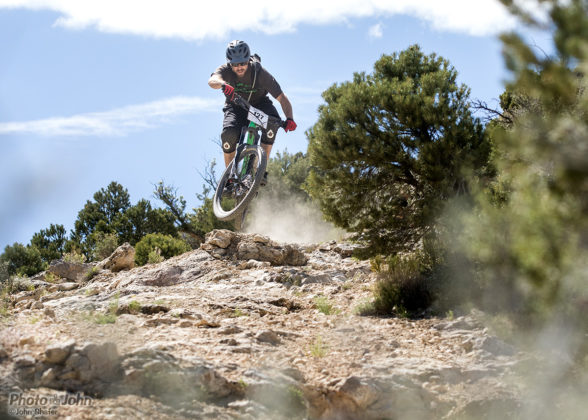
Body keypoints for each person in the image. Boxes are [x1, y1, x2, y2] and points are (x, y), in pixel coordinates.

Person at [208, 40, 296, 185]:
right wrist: (223, 84)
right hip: (235, 107)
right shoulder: (225, 70)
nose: (239, 67)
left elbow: (281, 97)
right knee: (229, 135)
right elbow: (212, 80)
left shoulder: (259, 72)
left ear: (248, 60)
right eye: (235, 64)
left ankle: (259, 169)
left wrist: (290, 118)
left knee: (272, 126)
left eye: (242, 63)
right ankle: (229, 177)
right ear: (229, 63)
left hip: (259, 105)